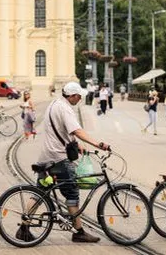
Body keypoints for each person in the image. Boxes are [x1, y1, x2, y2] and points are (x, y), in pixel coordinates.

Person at [27, 81, 110, 244]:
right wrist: (98, 144)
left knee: (40, 192)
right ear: (72, 96)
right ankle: (79, 232)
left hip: (46, 157)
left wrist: (75, 144)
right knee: (72, 193)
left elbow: (60, 129)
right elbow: (77, 130)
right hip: (59, 159)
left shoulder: (54, 104)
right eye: (78, 97)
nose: (79, 99)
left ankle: (24, 226)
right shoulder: (65, 109)